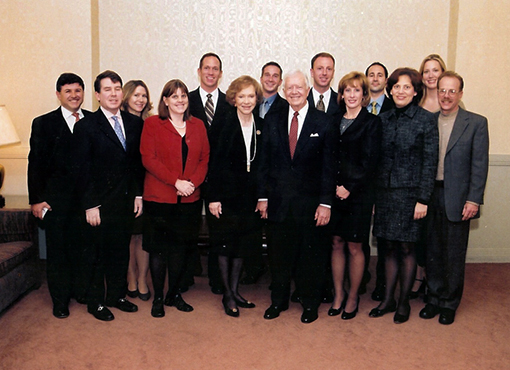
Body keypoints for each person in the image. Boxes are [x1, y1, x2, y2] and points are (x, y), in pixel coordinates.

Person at [257, 70, 336, 324]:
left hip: (311, 205)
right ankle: (278, 302)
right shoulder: (272, 119)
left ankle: (310, 304)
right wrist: (262, 197)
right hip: (278, 203)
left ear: (307, 88)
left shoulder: (323, 121)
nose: (294, 92)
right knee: (279, 256)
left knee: (310, 258)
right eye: (289, 88)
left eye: (299, 88)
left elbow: (329, 167)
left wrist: (325, 203)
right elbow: (264, 163)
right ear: (283, 90)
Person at [73, 70, 144, 321]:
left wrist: (138, 195)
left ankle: (117, 296)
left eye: (117, 88)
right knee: (97, 255)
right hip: (99, 205)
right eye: (107, 89)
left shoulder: (135, 123)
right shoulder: (86, 126)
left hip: (125, 201)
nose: (113, 94)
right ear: (97, 95)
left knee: (119, 252)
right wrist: (90, 204)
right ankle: (96, 303)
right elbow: (82, 169)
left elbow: (136, 164)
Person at [369, 67, 438, 324]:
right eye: (397, 86)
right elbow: (376, 161)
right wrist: (375, 197)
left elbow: (430, 162)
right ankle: (387, 300)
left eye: (406, 87)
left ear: (416, 91)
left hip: (411, 197)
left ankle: (403, 303)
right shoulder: (383, 119)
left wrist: (423, 199)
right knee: (387, 247)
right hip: (385, 195)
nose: (400, 91)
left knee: (407, 248)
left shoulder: (425, 120)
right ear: (391, 89)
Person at [419, 71, 489, 325]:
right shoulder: (428, 121)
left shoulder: (476, 123)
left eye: (452, 91)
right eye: (442, 90)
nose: (446, 96)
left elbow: (479, 165)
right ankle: (433, 299)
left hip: (458, 197)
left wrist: (474, 199)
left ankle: (449, 303)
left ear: (460, 94)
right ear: (436, 93)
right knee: (432, 251)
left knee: (453, 254)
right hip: (431, 194)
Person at [140, 79, 209, 318]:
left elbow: (204, 159)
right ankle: (158, 297)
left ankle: (174, 294)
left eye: (183, 96)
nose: (180, 100)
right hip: (159, 198)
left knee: (180, 250)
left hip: (189, 199)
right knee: (159, 251)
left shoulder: (198, 125)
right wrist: (176, 181)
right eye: (174, 96)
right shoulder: (152, 124)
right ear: (165, 100)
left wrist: (191, 184)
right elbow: (149, 159)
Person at [28, 73, 91, 318]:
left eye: (78, 90)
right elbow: (35, 164)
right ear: (58, 95)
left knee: (83, 249)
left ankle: (81, 291)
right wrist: (35, 199)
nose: (74, 95)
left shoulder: (94, 121)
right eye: (68, 91)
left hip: (86, 202)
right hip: (55, 203)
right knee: (58, 253)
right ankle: (60, 300)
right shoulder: (43, 123)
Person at [208, 76, 264, 317]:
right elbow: (213, 163)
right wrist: (213, 197)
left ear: (257, 98)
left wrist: (263, 196)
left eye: (251, 96)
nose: (246, 101)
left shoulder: (260, 124)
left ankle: (235, 289)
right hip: (226, 195)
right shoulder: (223, 123)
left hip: (249, 197)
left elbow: (263, 165)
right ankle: (227, 295)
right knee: (225, 244)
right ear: (233, 98)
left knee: (242, 245)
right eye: (241, 96)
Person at [328, 72, 381, 320]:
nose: (351, 95)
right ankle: (339, 293)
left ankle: (353, 296)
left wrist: (349, 186)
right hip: (333, 193)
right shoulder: (333, 120)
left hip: (357, 194)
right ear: (342, 95)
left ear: (364, 94)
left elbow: (370, 162)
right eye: (347, 90)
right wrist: (334, 186)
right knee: (336, 243)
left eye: (356, 90)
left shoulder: (372, 123)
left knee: (354, 246)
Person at [241, 61, 286, 286]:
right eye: (266, 75)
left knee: (275, 231)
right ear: (261, 78)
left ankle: (274, 276)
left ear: (280, 81)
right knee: (250, 229)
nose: (270, 79)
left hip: (273, 179)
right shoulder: (249, 103)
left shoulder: (287, 107)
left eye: (275, 76)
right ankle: (253, 269)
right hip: (249, 180)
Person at [188, 52, 229, 294]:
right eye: (206, 68)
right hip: (191, 176)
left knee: (218, 228)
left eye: (215, 69)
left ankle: (217, 279)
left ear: (221, 74)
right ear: (199, 71)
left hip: (219, 178)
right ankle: (187, 275)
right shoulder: (186, 100)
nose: (211, 72)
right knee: (189, 226)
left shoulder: (229, 102)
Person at [412, 54, 447, 299]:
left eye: (435, 70)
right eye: (427, 71)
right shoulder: (415, 103)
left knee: (437, 237)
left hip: (442, 180)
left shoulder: (451, 105)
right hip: (415, 180)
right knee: (418, 235)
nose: (431, 75)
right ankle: (417, 278)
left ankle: (434, 282)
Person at [364, 61, 395, 301]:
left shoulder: (396, 106)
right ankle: (361, 276)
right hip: (361, 183)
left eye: (379, 75)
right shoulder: (355, 106)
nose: (375, 79)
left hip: (386, 182)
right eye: (371, 75)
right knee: (360, 236)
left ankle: (383, 285)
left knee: (384, 237)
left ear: (386, 81)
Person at [120, 80, 153, 301]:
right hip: (125, 190)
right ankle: (130, 278)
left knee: (144, 237)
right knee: (128, 237)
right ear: (126, 97)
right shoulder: (118, 122)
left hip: (148, 187)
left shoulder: (152, 123)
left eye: (144, 96)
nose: (140, 100)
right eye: (136, 95)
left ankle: (142, 279)